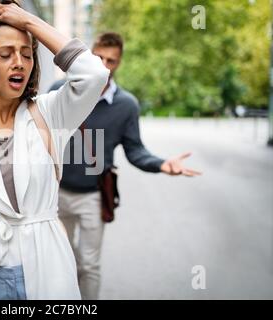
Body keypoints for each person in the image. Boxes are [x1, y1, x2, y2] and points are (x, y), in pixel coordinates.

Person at [0, 0, 109, 300]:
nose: (19, 62)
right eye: (5, 54)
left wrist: (30, 23)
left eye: (27, 54)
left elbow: (94, 74)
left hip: (48, 267)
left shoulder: (52, 112)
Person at [48, 32, 201, 300]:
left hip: (94, 196)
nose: (104, 65)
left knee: (89, 265)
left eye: (112, 61)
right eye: (99, 58)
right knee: (60, 262)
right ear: (89, 56)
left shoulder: (126, 105)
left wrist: (162, 164)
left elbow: (135, 151)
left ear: (118, 63)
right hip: (55, 195)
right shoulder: (58, 91)